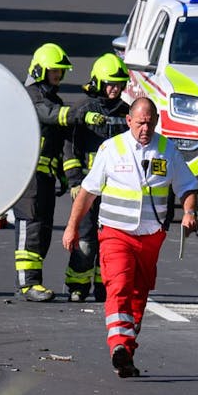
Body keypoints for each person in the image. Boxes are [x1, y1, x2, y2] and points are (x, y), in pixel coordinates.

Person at [61, 97, 198, 378]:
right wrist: (72, 226)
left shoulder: (167, 149)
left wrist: (189, 211)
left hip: (151, 237)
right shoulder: (112, 149)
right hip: (115, 233)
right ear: (128, 121)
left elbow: (187, 186)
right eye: (139, 123)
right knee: (119, 287)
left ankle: (126, 353)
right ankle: (118, 344)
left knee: (139, 295)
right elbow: (88, 192)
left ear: (157, 122)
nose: (145, 129)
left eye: (149, 123)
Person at [14, 42, 84, 302]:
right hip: (28, 176)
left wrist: (66, 176)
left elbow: (61, 142)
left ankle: (36, 281)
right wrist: (81, 112)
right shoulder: (30, 96)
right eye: (54, 71)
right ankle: (27, 284)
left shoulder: (53, 98)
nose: (58, 75)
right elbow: (51, 115)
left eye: (60, 71)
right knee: (29, 226)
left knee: (43, 229)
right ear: (41, 70)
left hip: (45, 177)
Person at [62, 53, 131, 302]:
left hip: (115, 188)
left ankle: (105, 286)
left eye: (119, 84)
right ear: (99, 82)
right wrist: (74, 181)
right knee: (85, 237)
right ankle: (77, 285)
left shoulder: (127, 113)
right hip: (87, 187)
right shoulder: (83, 109)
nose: (115, 89)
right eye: (110, 83)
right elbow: (70, 148)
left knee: (110, 238)